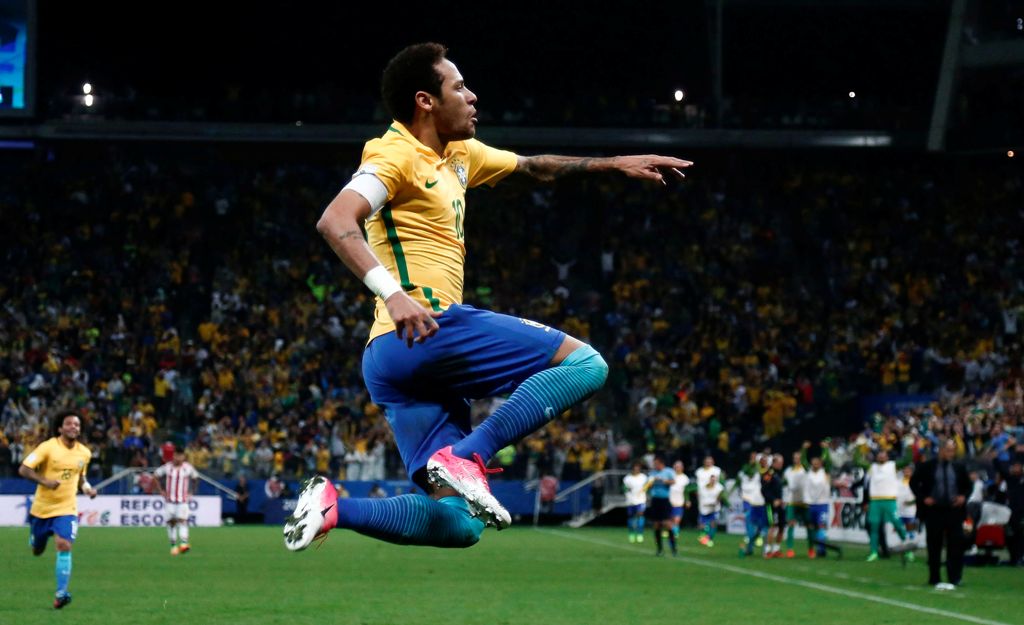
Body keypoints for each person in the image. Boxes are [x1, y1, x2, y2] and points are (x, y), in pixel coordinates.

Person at [283, 42, 692, 551]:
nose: (472, 96)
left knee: (461, 524)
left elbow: (534, 166)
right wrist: (393, 294)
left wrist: (613, 164)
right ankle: (467, 455)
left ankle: (335, 508)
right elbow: (335, 219)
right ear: (425, 101)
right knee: (587, 366)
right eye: (458, 86)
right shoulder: (393, 154)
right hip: (425, 327)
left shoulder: (458, 155)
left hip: (392, 361)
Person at [18, 410, 97, 609]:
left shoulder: (84, 453)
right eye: (69, 424)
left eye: (77, 424)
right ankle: (35, 539)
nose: (73, 427)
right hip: (41, 509)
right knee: (37, 550)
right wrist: (44, 481)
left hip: (66, 509)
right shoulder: (48, 447)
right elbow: (24, 469)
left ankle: (61, 593)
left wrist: (87, 489)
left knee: (64, 545)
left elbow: (81, 477)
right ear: (60, 428)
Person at [910, 438, 971, 589]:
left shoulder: (959, 467)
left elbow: (968, 486)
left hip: (954, 510)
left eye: (953, 450)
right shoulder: (927, 466)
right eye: (949, 450)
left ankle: (955, 577)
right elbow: (914, 483)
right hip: (934, 510)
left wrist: (963, 497)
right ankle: (934, 577)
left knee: (956, 544)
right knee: (934, 545)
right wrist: (924, 498)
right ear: (941, 450)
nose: (951, 453)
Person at [864, 449, 911, 562]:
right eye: (879, 454)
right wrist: (860, 446)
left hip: (889, 500)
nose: (881, 456)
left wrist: (909, 446)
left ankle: (908, 550)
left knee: (897, 524)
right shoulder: (872, 467)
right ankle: (873, 552)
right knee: (874, 526)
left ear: (887, 457)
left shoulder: (893, 465)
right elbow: (857, 461)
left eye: (883, 454)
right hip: (875, 500)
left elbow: (907, 459)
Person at [153, 446, 198, 555]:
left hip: (182, 500)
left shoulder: (188, 468)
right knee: (171, 523)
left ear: (183, 457)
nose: (178, 458)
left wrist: (192, 492)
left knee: (183, 520)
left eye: (181, 456)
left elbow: (196, 478)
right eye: (177, 455)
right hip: (170, 501)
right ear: (173, 456)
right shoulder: (167, 467)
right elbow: (155, 476)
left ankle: (183, 544)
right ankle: (173, 546)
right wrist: (161, 491)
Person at [646, 457, 677, 556]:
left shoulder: (668, 471)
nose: (655, 466)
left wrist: (663, 480)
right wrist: (651, 482)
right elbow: (647, 485)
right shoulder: (652, 473)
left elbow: (673, 482)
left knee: (667, 524)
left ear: (661, 463)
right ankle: (659, 549)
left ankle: (673, 549)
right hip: (655, 500)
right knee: (656, 525)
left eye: (656, 464)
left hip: (664, 500)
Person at [803, 455, 831, 559]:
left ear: (820, 463)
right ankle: (812, 549)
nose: (815, 464)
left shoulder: (825, 472)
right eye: (813, 463)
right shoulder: (808, 473)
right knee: (812, 527)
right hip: (810, 504)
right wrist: (804, 450)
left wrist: (826, 450)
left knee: (821, 526)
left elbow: (828, 461)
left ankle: (821, 549)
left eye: (817, 462)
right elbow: (803, 460)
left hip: (822, 504)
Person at [783, 450, 807, 558]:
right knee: (791, 524)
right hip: (791, 501)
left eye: (798, 458)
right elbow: (784, 484)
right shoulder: (788, 471)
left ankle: (811, 549)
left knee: (809, 525)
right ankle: (789, 549)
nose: (796, 460)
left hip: (804, 501)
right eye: (795, 458)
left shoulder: (805, 470)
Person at [762, 454, 786, 558]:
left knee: (781, 527)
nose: (781, 464)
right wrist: (773, 500)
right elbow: (764, 490)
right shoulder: (769, 473)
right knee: (772, 526)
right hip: (771, 506)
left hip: (780, 505)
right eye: (780, 463)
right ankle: (767, 550)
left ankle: (776, 549)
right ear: (774, 463)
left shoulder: (780, 474)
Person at [697, 472, 725, 547]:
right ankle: (704, 536)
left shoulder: (719, 488)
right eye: (711, 479)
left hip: (714, 509)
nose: (713, 481)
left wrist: (716, 502)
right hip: (705, 508)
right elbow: (700, 497)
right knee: (702, 526)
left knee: (713, 524)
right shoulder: (703, 488)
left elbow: (720, 497)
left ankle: (709, 539)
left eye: (714, 480)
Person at [623, 462, 648, 543]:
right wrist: (627, 490)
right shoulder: (627, 478)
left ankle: (640, 534)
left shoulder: (643, 477)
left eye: (638, 467)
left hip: (640, 500)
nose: (636, 469)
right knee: (631, 517)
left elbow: (647, 486)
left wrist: (645, 490)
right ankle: (631, 534)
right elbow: (623, 488)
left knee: (640, 515)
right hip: (630, 500)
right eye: (635, 467)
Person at [668, 460, 690, 543]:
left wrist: (687, 500)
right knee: (670, 520)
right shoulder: (670, 476)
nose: (677, 468)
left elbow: (686, 491)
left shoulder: (685, 478)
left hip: (679, 501)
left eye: (679, 466)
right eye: (676, 466)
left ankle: (675, 534)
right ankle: (670, 532)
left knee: (677, 520)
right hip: (669, 501)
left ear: (682, 468)